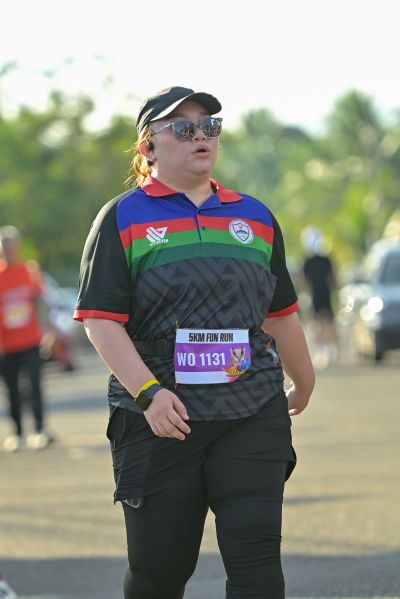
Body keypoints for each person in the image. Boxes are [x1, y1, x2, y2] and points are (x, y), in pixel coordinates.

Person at [74, 86, 315, 599]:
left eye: (210, 126)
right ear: (149, 147)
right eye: (183, 128)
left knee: (256, 565)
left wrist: (304, 378)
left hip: (250, 406)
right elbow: (100, 320)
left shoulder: (254, 216)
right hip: (162, 417)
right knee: (159, 572)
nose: (201, 136)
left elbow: (279, 312)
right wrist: (148, 394)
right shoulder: (122, 217)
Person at [0, 226, 52, 451]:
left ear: (17, 246)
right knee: (11, 389)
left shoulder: (30, 271)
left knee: (34, 385)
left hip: (31, 340)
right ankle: (17, 433)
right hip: (7, 344)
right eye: (4, 247)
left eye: (11, 246)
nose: (8, 250)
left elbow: (41, 303)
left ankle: (40, 429)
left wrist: (47, 332)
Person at [301, 226, 338, 367]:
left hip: (314, 295)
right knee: (327, 322)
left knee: (317, 323)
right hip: (325, 293)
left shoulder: (307, 261)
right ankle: (330, 350)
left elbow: (303, 281)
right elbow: (333, 278)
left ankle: (322, 351)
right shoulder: (326, 260)